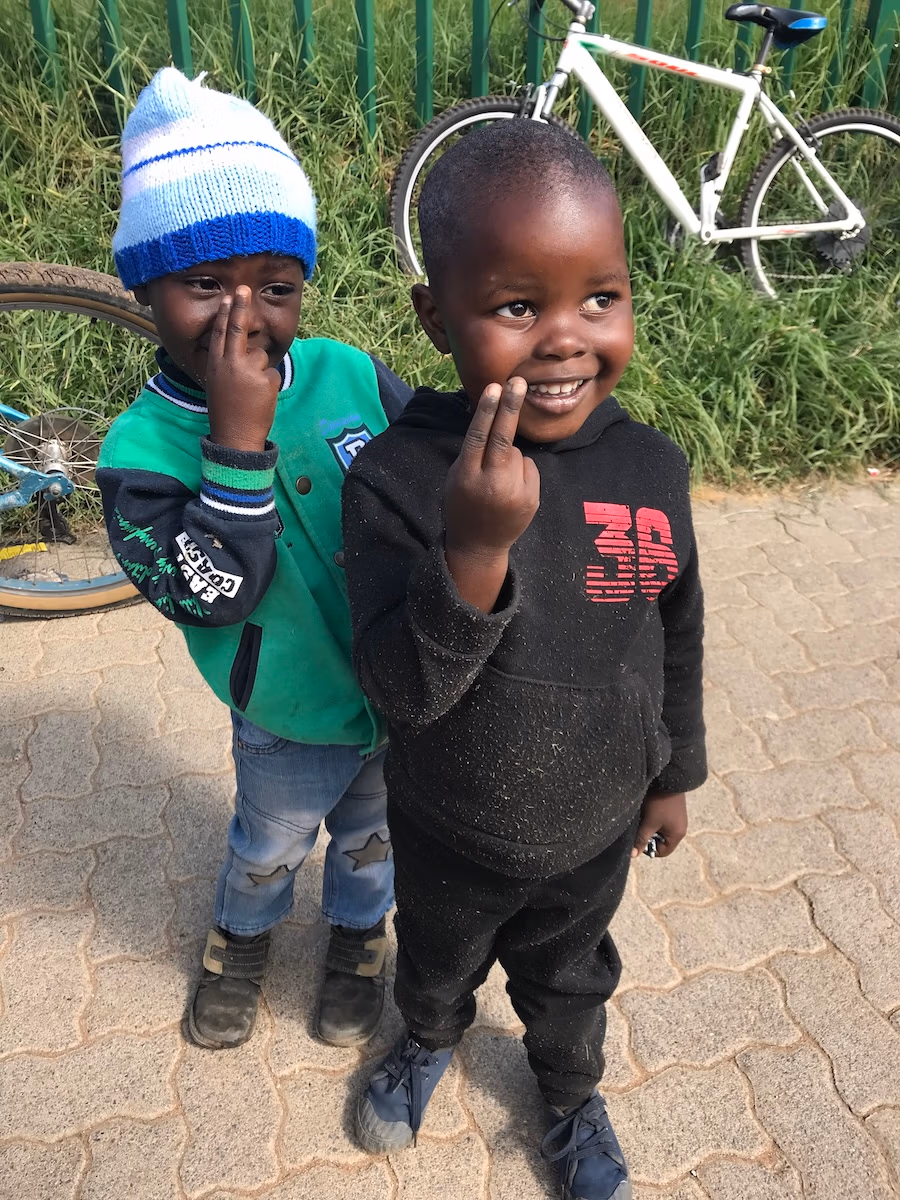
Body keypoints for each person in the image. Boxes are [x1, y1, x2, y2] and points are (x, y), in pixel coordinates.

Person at [341, 119, 706, 1199]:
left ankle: (566, 1094)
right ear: (436, 318)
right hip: (450, 820)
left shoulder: (653, 468)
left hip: (596, 819)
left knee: (571, 981)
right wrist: (476, 547)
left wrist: (675, 770)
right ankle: (424, 1041)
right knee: (437, 962)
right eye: (515, 306)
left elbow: (678, 624)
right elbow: (402, 691)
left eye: (600, 296)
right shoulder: (403, 480)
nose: (565, 338)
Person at [97, 68, 410, 1053]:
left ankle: (360, 939)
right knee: (270, 846)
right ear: (144, 287)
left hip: (398, 694)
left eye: (276, 286)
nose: (247, 315)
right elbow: (215, 595)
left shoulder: (347, 372)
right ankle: (241, 943)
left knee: (373, 839)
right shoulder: (138, 457)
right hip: (283, 716)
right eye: (206, 285)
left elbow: (437, 470)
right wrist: (236, 443)